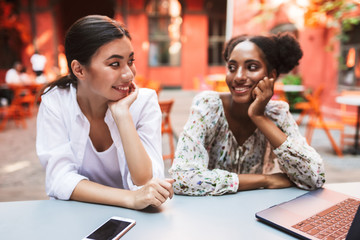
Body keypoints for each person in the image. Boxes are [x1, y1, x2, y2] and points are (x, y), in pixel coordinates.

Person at [36, 15, 174, 209]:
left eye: (130, 61)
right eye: (114, 64)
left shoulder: (143, 102)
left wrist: (122, 116)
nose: (128, 74)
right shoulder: (56, 102)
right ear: (79, 70)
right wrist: (129, 199)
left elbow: (146, 182)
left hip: (136, 220)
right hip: (75, 214)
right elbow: (59, 178)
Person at [169, 33, 325, 196]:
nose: (238, 77)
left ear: (271, 75)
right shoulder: (208, 106)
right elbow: (183, 178)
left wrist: (259, 117)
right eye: (232, 67)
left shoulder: (278, 113)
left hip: (256, 210)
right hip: (209, 209)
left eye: (251, 67)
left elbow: (315, 177)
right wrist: (265, 180)